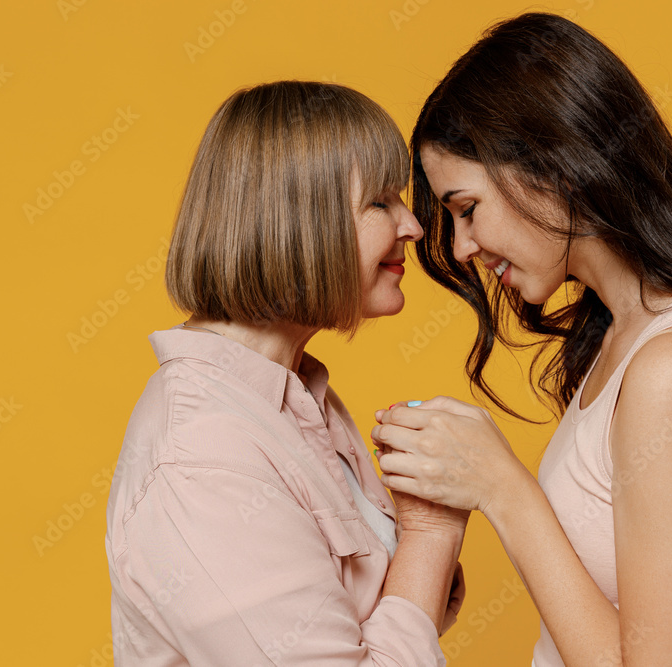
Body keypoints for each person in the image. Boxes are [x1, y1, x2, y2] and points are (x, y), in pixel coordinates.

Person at [370, 12, 672, 666]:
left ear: (552, 164)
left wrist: (502, 486)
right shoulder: (631, 342)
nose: (462, 247)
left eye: (467, 209)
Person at [104, 80, 468, 666]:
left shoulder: (297, 396)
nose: (414, 227)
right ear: (299, 222)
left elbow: (381, 619)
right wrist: (433, 532)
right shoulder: (204, 457)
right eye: (380, 201)